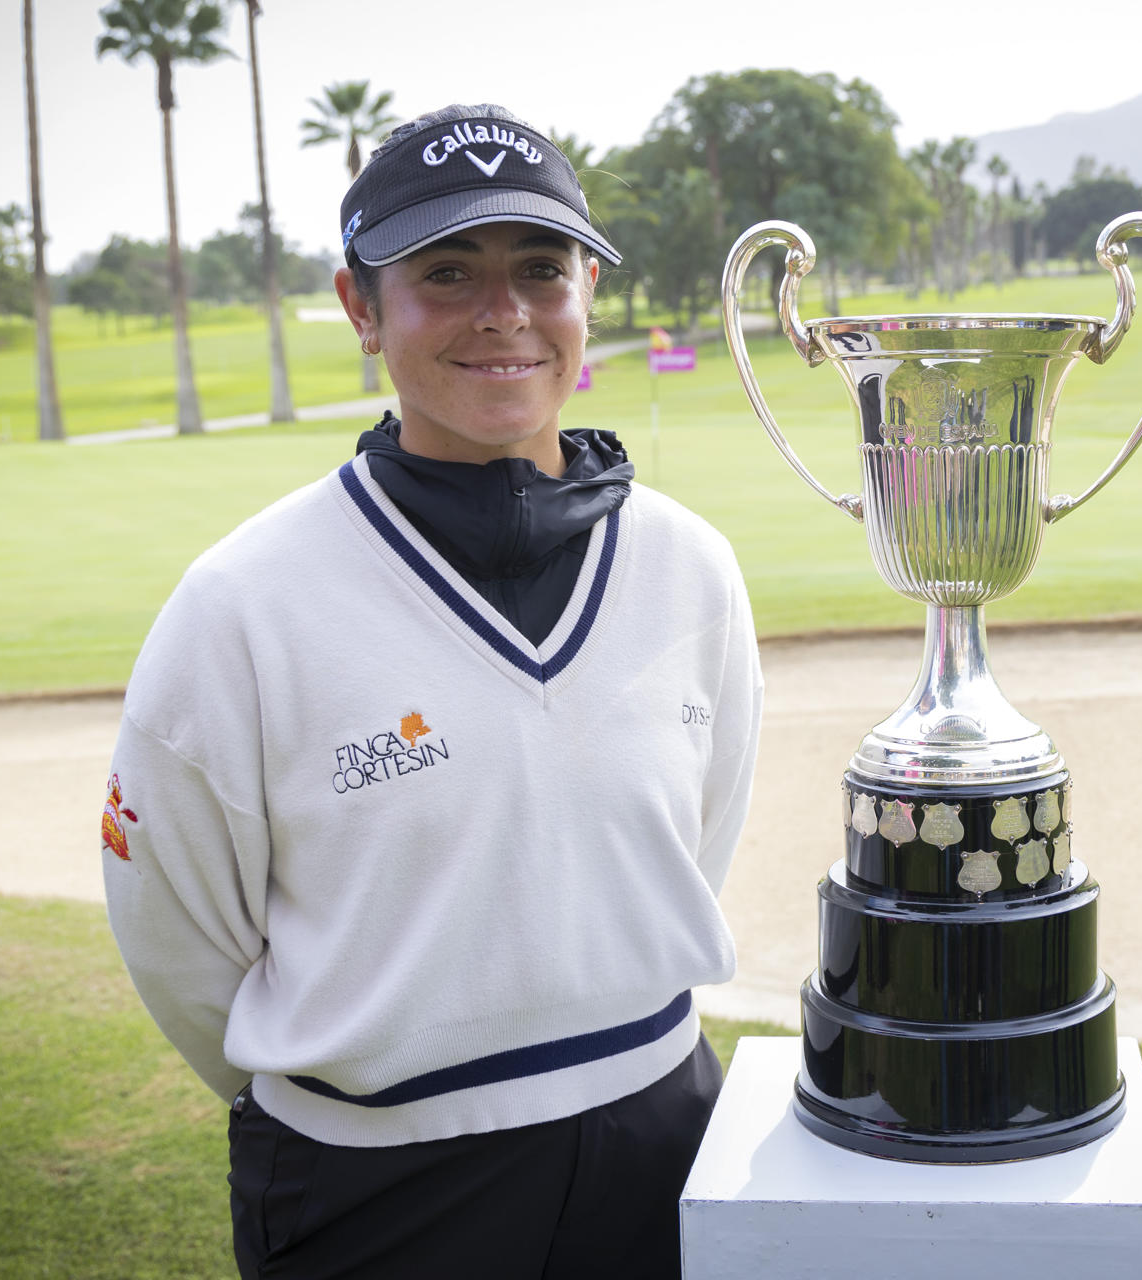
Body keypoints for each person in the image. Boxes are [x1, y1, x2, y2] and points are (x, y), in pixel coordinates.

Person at [100, 103, 762, 1279]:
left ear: (587, 297)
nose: (504, 312)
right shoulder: (245, 601)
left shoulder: (690, 565)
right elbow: (180, 939)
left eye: (541, 269)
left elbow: (693, 843)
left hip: (661, 1133)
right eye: (447, 272)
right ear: (363, 307)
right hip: (379, 1185)